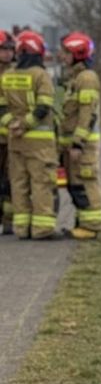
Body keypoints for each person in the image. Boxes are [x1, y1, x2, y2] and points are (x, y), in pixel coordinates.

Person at [0, 30, 59, 240]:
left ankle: (21, 228)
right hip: (39, 143)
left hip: (15, 140)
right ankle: (42, 229)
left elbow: (1, 108)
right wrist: (25, 124)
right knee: (41, 183)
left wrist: (12, 126)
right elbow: (44, 106)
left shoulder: (8, 76)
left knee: (18, 184)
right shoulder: (41, 75)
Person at [59, 31, 101, 239]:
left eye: (66, 53)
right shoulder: (76, 77)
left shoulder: (87, 78)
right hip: (73, 145)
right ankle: (82, 222)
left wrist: (78, 143)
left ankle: (92, 226)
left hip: (83, 145)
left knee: (86, 182)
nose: (62, 56)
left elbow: (87, 114)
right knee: (76, 184)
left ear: (77, 54)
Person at [0, 30, 14, 234]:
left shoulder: (17, 73)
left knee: (11, 182)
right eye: (3, 49)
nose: (8, 53)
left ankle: (9, 222)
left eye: (10, 49)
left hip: (12, 138)